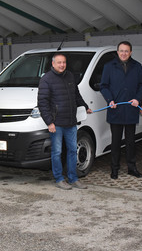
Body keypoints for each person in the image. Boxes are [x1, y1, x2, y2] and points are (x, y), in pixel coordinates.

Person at [38, 53, 92, 190]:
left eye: (64, 62)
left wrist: (85, 106)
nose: (62, 65)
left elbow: (76, 95)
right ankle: (59, 179)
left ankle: (73, 178)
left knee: (73, 150)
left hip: (71, 122)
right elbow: (42, 103)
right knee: (57, 152)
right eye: (59, 62)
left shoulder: (70, 76)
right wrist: (49, 122)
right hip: (56, 124)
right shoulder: (46, 79)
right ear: (53, 64)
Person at [100, 41, 142, 179]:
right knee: (115, 142)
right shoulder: (109, 66)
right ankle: (114, 169)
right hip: (116, 109)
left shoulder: (137, 66)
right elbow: (103, 86)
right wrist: (110, 100)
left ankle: (132, 168)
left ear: (131, 52)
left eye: (126, 51)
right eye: (121, 51)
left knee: (131, 142)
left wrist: (138, 99)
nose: (124, 53)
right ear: (117, 52)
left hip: (131, 109)